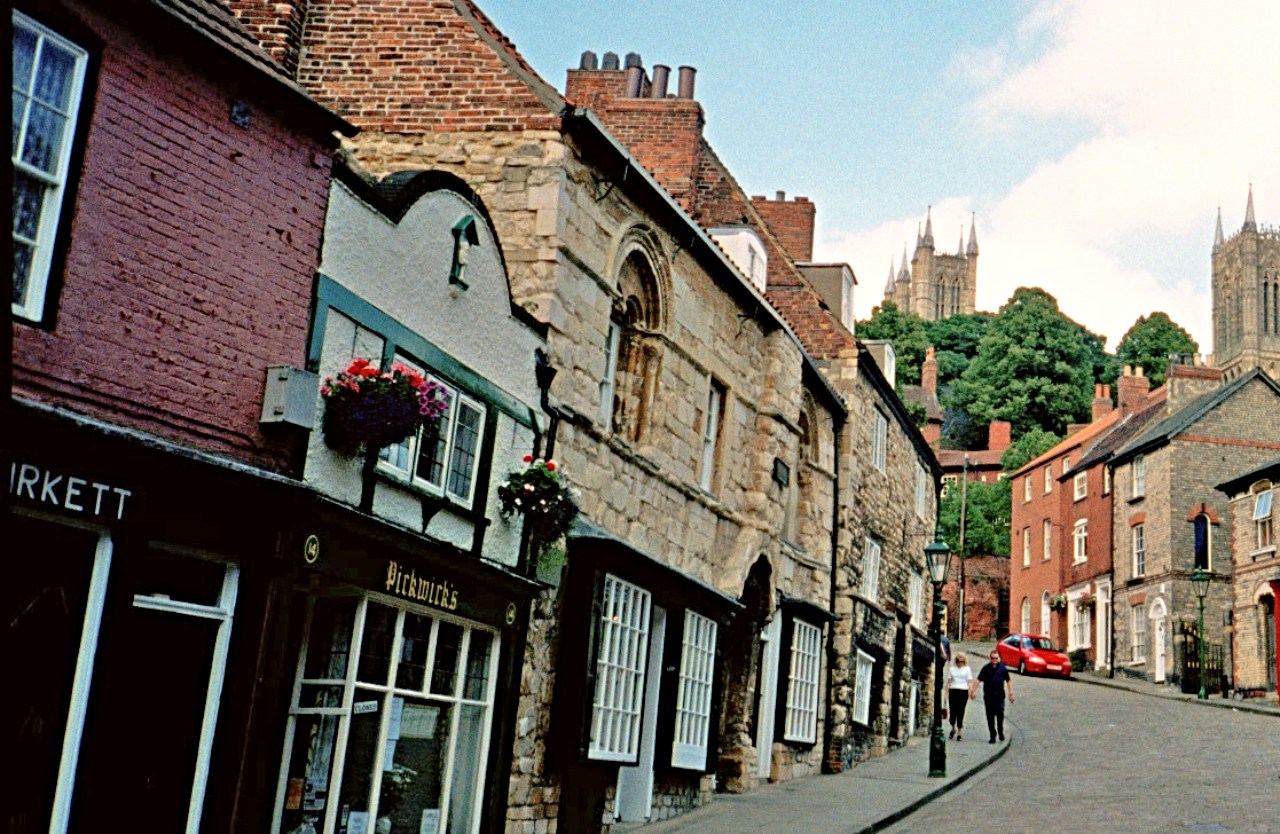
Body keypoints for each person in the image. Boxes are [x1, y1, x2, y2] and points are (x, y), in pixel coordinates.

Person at [973, 649, 1014, 743]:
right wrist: (973, 690)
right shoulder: (985, 669)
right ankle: (992, 735)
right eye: (993, 658)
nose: (994, 660)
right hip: (989, 697)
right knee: (990, 717)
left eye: (996, 658)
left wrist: (1011, 693)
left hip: (1000, 697)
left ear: (998, 658)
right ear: (990, 658)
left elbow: (1008, 680)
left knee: (1000, 715)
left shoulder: (1003, 669)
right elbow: (978, 679)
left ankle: (1000, 731)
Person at [945, 652, 973, 740]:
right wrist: (945, 695)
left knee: (961, 711)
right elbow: (948, 682)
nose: (960, 663)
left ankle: (959, 732)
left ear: (964, 661)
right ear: (956, 661)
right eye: (958, 661)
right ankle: (953, 728)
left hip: (963, 691)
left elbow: (969, 681)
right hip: (953, 690)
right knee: (953, 711)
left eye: (961, 661)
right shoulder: (952, 669)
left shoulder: (967, 669)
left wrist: (971, 691)